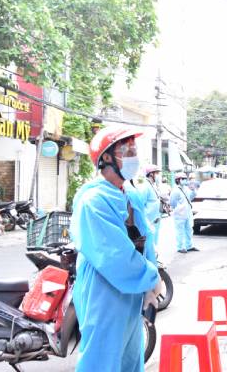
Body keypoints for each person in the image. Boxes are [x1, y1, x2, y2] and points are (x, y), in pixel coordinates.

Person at [70, 125, 162, 372]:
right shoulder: (94, 202)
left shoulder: (128, 194)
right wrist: (150, 277)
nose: (133, 154)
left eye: (134, 148)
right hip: (104, 293)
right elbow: (115, 255)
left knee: (130, 360)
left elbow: (145, 238)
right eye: (126, 149)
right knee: (102, 360)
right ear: (106, 159)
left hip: (131, 292)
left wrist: (150, 283)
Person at [170, 172, 198, 253]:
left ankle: (189, 246)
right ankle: (180, 247)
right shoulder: (175, 190)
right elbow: (172, 203)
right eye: (183, 179)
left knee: (189, 230)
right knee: (180, 231)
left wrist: (193, 191)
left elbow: (190, 198)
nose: (185, 180)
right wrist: (179, 209)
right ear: (178, 180)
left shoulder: (185, 188)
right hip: (179, 215)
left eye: (185, 179)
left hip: (187, 213)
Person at [138, 164, 162, 247]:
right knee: (149, 244)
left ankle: (154, 258)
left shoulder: (152, 185)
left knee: (154, 243)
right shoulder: (145, 186)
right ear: (151, 174)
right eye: (157, 173)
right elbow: (141, 204)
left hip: (155, 219)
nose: (158, 176)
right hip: (149, 221)